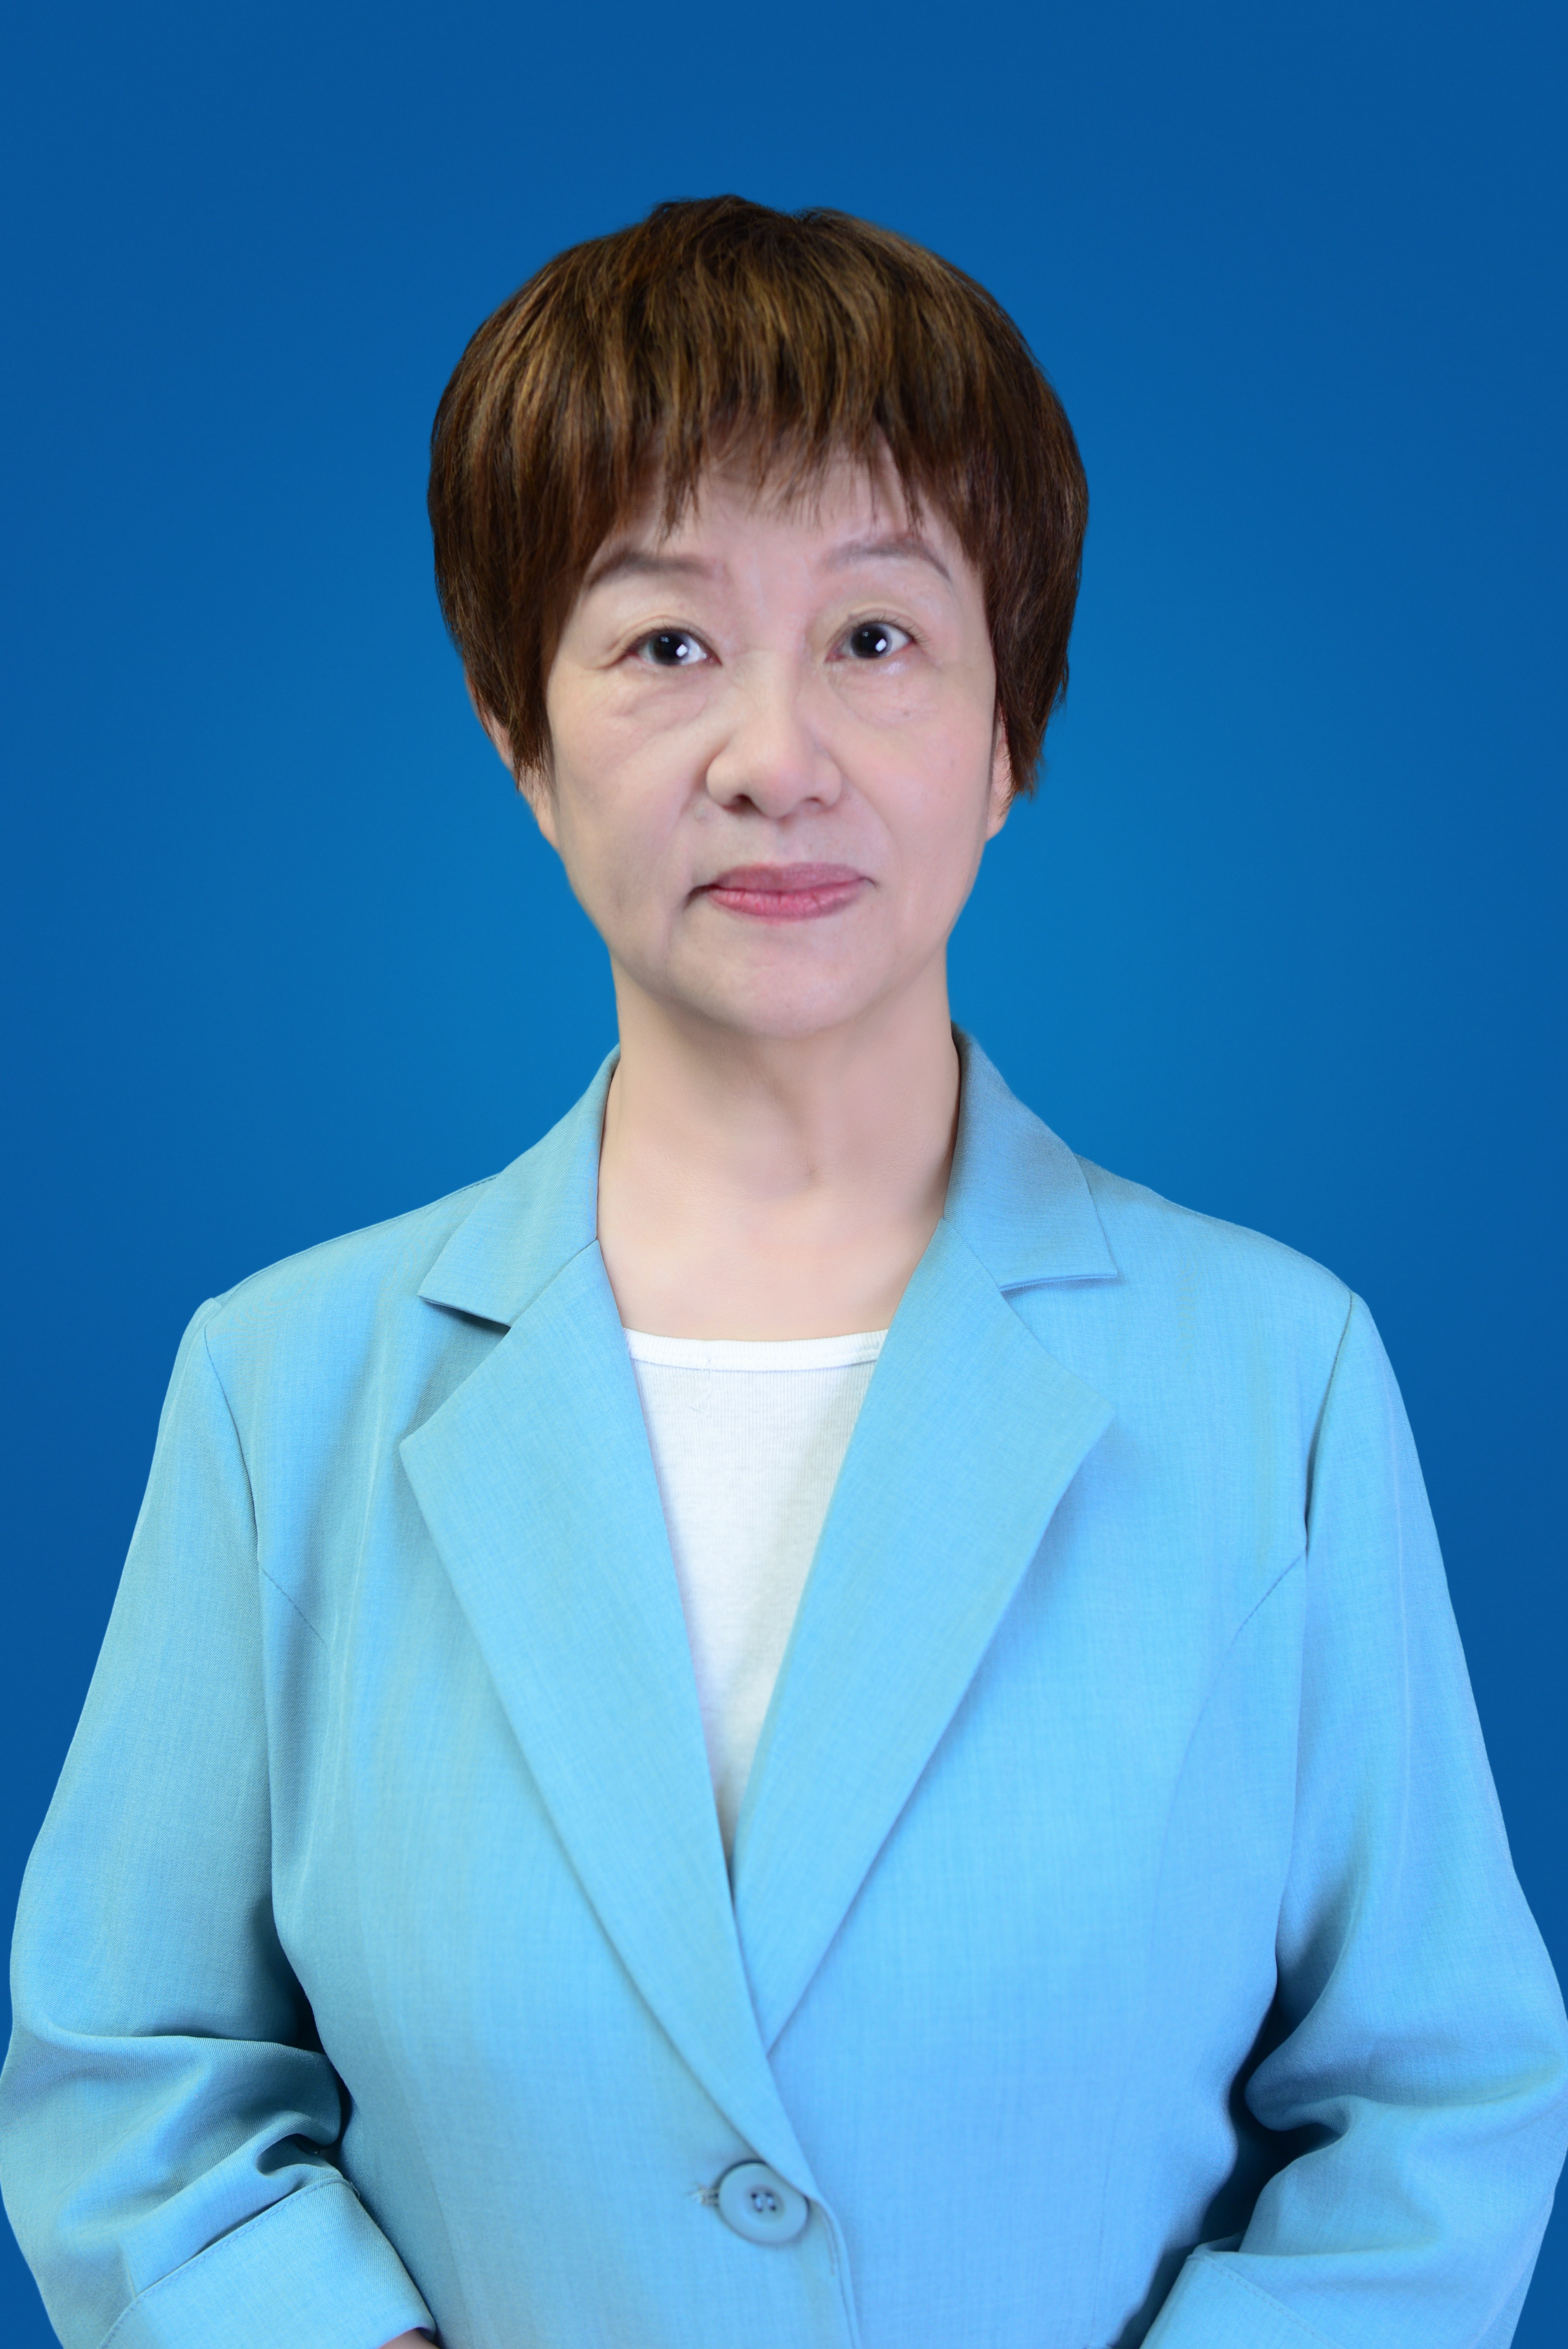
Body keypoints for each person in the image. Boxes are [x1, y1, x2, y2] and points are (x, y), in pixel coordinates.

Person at [1, 196, 1565, 2349]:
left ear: (1012, 734)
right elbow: (132, 2076)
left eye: (877, 637)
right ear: (519, 742)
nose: (774, 757)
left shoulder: (1276, 1374)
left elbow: (1434, 2103)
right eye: (663, 644)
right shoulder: (284, 1388)